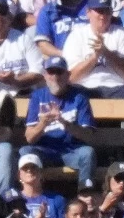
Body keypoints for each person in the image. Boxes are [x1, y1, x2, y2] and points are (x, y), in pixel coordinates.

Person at [23, 56, 99, 187]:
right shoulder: (37, 96)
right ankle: (32, 194)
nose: (55, 77)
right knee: (25, 152)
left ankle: (85, 192)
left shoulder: (79, 97)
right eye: (51, 72)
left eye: (59, 72)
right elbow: (29, 138)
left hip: (72, 150)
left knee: (88, 153)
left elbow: (88, 136)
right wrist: (43, 123)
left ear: (68, 75)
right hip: (45, 150)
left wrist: (64, 122)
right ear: (45, 75)